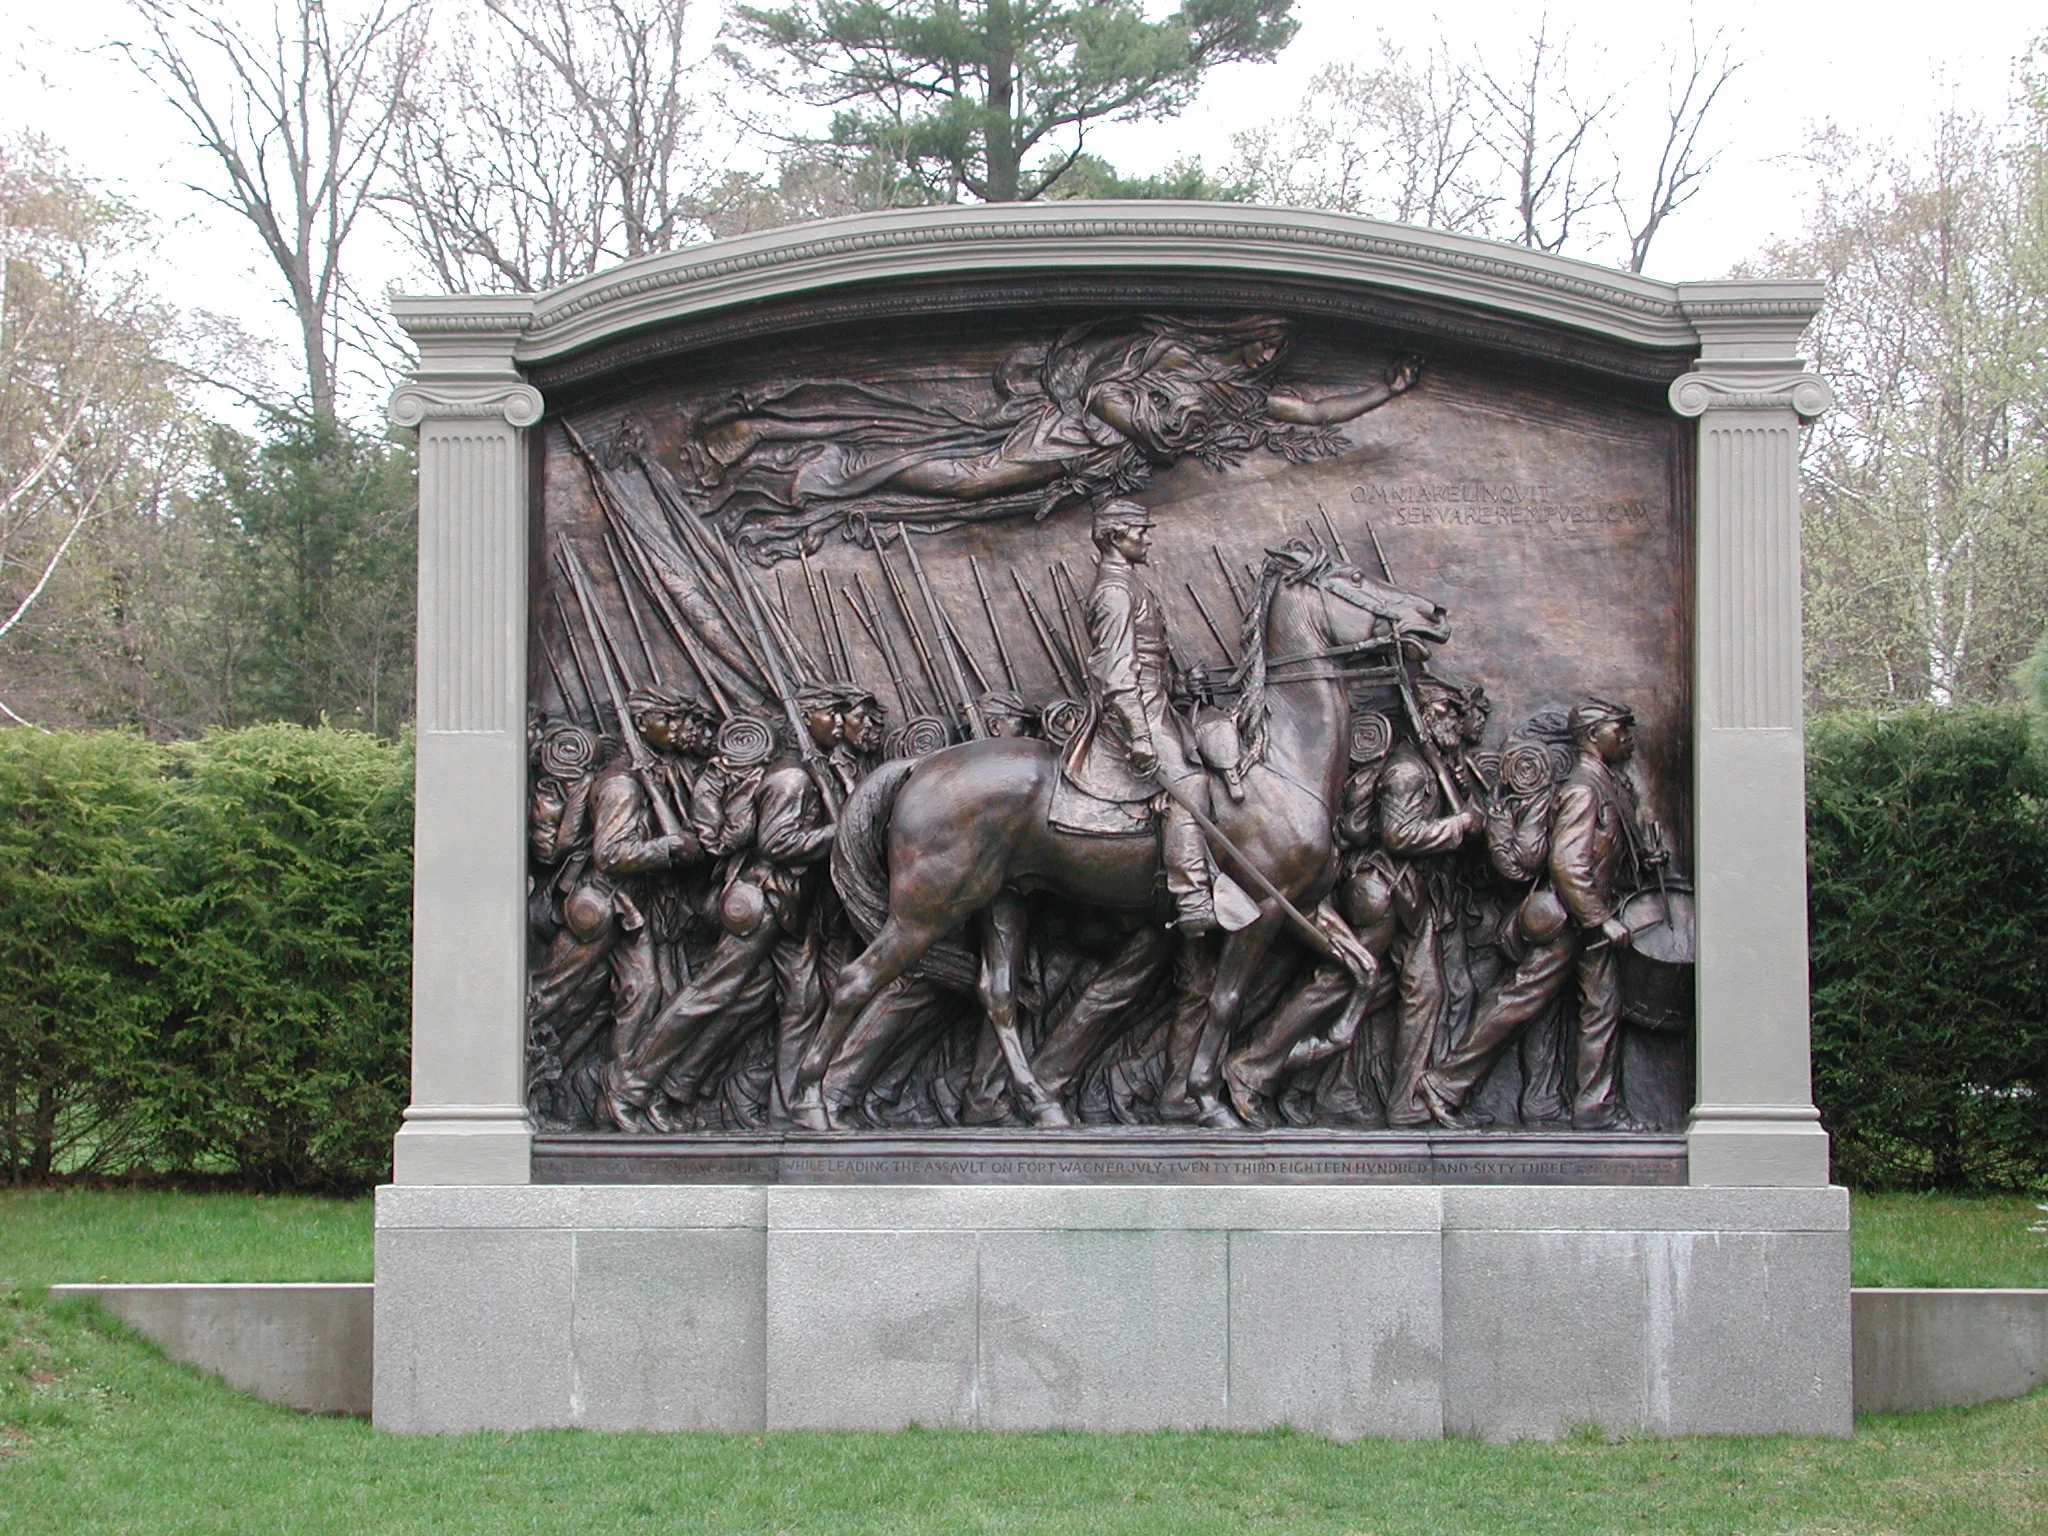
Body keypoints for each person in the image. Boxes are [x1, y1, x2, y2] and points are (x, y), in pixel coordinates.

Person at [597, 694, 851, 1131]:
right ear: (806, 718)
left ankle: (782, 1107)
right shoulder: (790, 778)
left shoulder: (808, 771)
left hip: (791, 906)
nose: (845, 723)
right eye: (836, 712)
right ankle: (629, 1088)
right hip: (761, 900)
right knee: (708, 995)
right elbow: (778, 844)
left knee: (800, 1000)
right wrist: (845, 829)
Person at [1419, 698, 1661, 1132]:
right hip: (1572, 921)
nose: (1628, 735)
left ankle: (1594, 1107)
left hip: (1586, 921)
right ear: (1591, 736)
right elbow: (1567, 864)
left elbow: (1604, 852)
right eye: (1618, 727)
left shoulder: (1608, 783)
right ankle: (1443, 1083)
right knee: (1520, 1001)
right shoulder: (1584, 789)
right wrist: (1599, 918)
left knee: (1597, 1007)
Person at [1061, 498, 1216, 933]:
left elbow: (1147, 659)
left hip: (1155, 702)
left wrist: (1182, 685)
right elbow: (1115, 670)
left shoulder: (1129, 584)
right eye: (1139, 530)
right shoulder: (1113, 591)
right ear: (1115, 536)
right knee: (1188, 782)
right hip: (1133, 712)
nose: (1146, 538)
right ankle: (1192, 898)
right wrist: (1140, 736)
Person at [1369, 678, 1487, 1126]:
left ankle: (1436, 1089)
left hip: (1434, 898)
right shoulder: (1407, 770)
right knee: (1425, 992)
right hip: (1399, 896)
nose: (1458, 722)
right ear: (1428, 714)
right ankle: (1405, 1102)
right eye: (1450, 713)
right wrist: (1458, 825)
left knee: (1456, 990)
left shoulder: (1435, 764)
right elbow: (1397, 835)